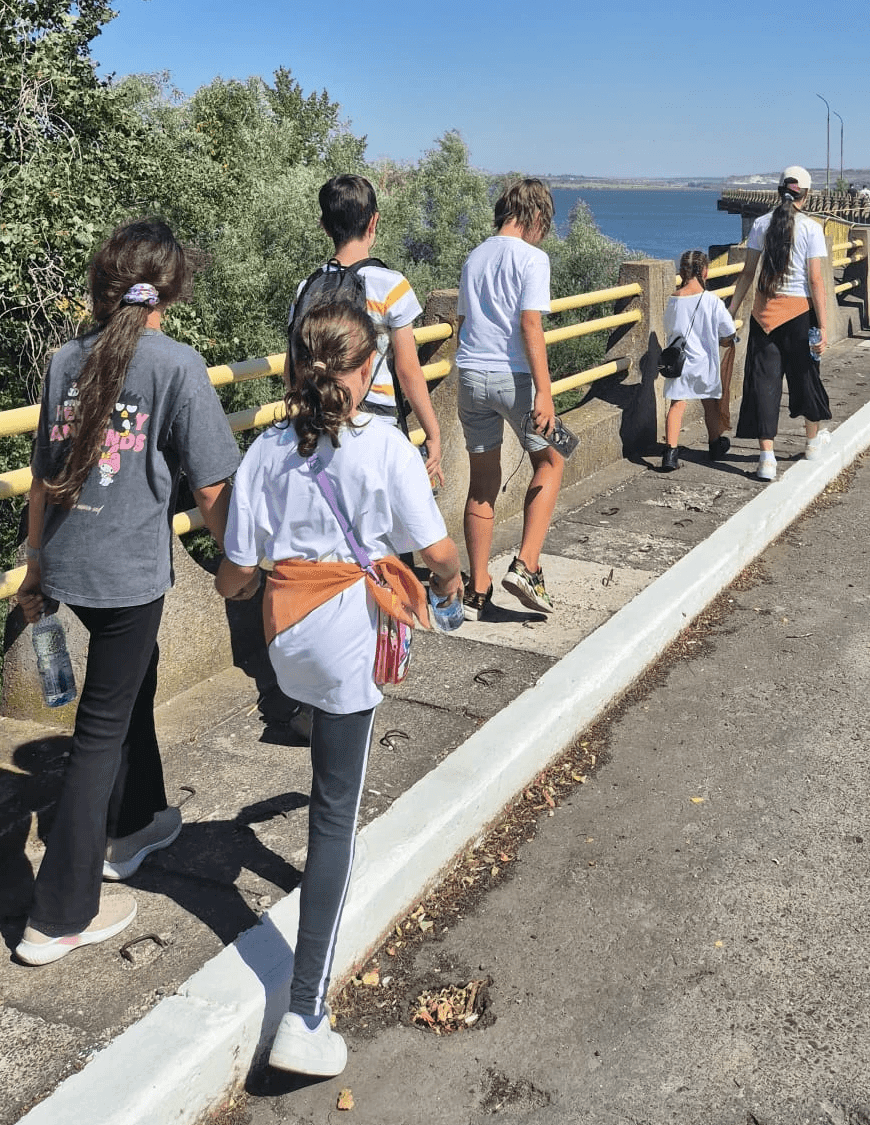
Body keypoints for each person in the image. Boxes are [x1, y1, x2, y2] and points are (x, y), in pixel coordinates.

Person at [216, 299, 462, 1078]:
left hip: (284, 641)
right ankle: (305, 1011)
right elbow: (437, 550)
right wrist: (449, 587)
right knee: (334, 817)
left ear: (297, 368)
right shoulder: (384, 446)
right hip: (346, 643)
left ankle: (306, 996)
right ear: (368, 370)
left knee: (319, 735)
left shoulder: (264, 452)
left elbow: (233, 578)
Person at [14, 221, 241, 965]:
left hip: (70, 565)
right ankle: (60, 912)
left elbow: (45, 472)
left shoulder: (64, 361)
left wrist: (35, 561)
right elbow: (212, 488)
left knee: (128, 688)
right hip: (127, 577)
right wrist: (241, 563)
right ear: (168, 292)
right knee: (97, 734)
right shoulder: (176, 365)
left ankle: (139, 820)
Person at [289, 175, 443, 485]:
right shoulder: (391, 284)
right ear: (374, 222)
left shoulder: (306, 287)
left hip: (320, 424)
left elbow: (293, 369)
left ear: (324, 226)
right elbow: (408, 369)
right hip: (377, 426)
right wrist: (433, 432)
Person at [455, 178, 563, 615]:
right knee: (551, 461)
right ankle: (527, 564)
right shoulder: (533, 259)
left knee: (482, 483)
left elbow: (462, 320)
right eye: (544, 224)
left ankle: (477, 587)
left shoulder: (474, 256)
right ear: (536, 217)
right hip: (513, 376)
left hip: (468, 374)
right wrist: (546, 393)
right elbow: (530, 325)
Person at [729, 166, 832, 482]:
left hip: (765, 317)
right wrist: (824, 326)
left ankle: (767, 459)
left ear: (778, 190)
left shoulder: (761, 224)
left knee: (764, 385)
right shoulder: (811, 229)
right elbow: (815, 280)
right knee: (806, 378)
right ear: (808, 195)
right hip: (800, 314)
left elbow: (748, 273)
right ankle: (812, 443)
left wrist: (731, 309)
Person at [659, 250, 737, 472]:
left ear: (682, 271)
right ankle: (715, 445)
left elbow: (669, 328)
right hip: (704, 363)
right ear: (705, 271)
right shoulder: (711, 300)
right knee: (709, 403)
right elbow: (728, 330)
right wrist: (724, 341)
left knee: (677, 405)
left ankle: (670, 454)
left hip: (680, 362)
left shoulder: (673, 299)